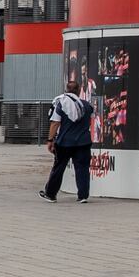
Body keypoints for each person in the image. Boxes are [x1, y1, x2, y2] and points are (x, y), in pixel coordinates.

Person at [43, 75, 96, 203]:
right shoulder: (87, 106)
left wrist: (50, 140)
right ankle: (82, 196)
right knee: (82, 168)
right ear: (79, 91)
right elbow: (92, 121)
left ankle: (50, 194)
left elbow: (55, 123)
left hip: (64, 143)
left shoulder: (61, 104)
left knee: (58, 168)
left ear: (66, 90)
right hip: (83, 142)